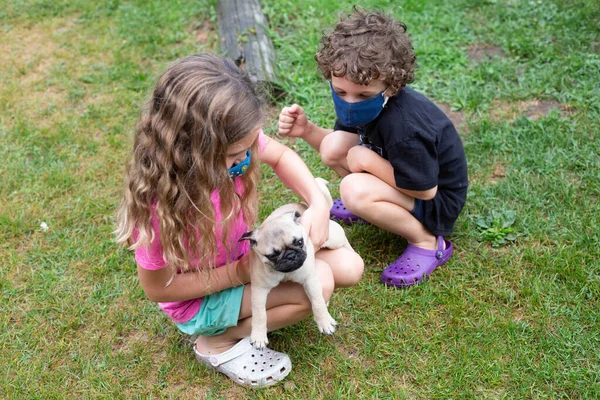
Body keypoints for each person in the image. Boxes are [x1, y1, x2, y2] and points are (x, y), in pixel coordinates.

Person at [115, 53, 364, 388]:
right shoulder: (158, 210)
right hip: (200, 299)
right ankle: (215, 342)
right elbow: (157, 288)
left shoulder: (234, 144)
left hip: (242, 259)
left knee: (348, 266)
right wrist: (238, 273)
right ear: (193, 153)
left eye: (248, 149)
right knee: (320, 282)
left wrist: (319, 204)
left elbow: (281, 155)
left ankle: (259, 299)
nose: (246, 160)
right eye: (235, 157)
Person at [278, 8, 468, 288]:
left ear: (390, 87)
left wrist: (365, 161)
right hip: (406, 180)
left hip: (436, 202)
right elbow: (338, 147)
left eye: (364, 95)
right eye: (341, 92)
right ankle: (371, 207)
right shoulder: (364, 107)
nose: (351, 102)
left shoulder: (404, 127)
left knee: (354, 187)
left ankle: (426, 242)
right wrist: (306, 131)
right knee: (334, 146)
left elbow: (426, 189)